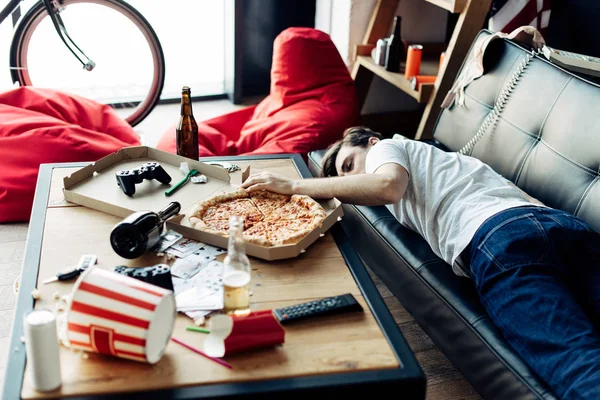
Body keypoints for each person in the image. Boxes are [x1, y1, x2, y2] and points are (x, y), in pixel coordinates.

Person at [241, 126, 600, 400]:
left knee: (574, 362)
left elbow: (387, 185)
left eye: (349, 166)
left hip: (499, 239)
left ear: (370, 141)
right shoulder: (449, 165)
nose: (350, 181)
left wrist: (292, 185)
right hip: (559, 225)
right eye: (341, 177)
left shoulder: (387, 147)